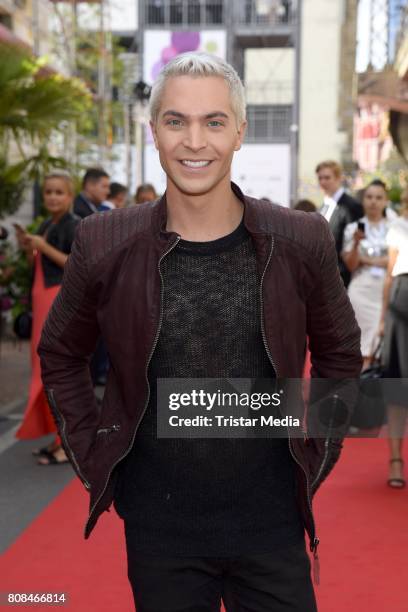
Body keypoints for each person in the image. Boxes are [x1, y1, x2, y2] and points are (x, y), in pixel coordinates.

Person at [38, 53, 361, 611]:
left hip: (273, 523)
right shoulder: (103, 242)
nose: (195, 141)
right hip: (159, 528)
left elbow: (340, 354)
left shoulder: (301, 238)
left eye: (213, 122)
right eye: (176, 121)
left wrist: (316, 449)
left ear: (239, 132)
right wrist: (96, 455)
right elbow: (61, 352)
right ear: (154, 132)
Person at [15, 171, 79, 465]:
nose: (53, 197)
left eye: (59, 192)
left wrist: (43, 247)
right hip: (41, 298)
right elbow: (36, 263)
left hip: (58, 300)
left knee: (56, 370)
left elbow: (74, 264)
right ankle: (57, 439)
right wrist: (31, 248)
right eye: (48, 192)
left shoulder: (75, 225)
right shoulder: (45, 224)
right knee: (42, 369)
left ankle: (67, 445)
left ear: (70, 195)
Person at [342, 181, 390, 370]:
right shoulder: (353, 228)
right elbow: (351, 264)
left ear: (385, 201)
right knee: (360, 348)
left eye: (378, 198)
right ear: (363, 200)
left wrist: (368, 260)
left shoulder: (395, 228)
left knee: (380, 345)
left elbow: (396, 262)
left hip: (385, 291)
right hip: (361, 291)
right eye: (369, 197)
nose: (373, 202)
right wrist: (355, 245)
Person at [379, 186, 408, 489]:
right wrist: (381, 320)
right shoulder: (399, 226)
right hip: (403, 300)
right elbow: (389, 274)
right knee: (398, 385)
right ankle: (396, 459)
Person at [316, 160, 363, 287]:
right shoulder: (322, 207)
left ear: (338, 178)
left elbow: (355, 240)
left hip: (344, 273)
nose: (323, 182)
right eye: (320, 178)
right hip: (323, 272)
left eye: (327, 177)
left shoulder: (352, 206)